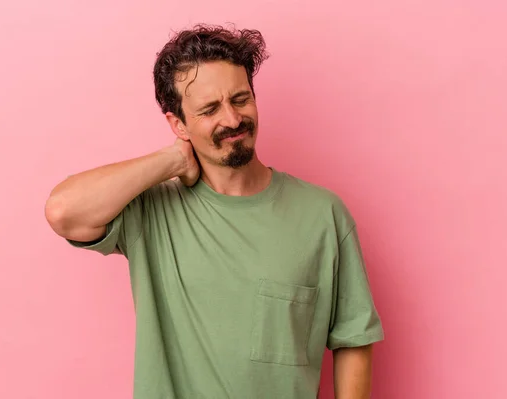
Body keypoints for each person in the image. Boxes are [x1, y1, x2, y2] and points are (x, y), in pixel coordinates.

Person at [45, 24, 384, 399]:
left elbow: (352, 338)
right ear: (179, 124)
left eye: (240, 99)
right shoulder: (151, 213)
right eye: (209, 109)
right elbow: (63, 211)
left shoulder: (324, 214)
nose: (233, 119)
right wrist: (171, 159)